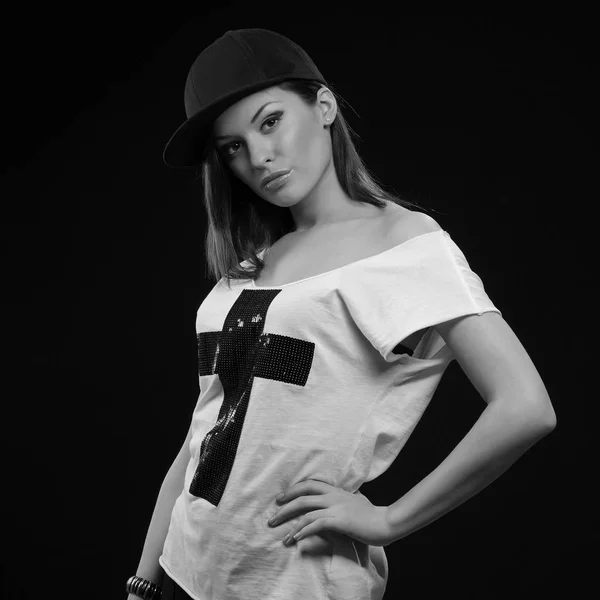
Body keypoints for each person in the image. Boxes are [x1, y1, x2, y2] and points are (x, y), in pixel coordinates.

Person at [126, 28, 557, 600]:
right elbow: (202, 435)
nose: (258, 157)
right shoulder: (249, 267)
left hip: (299, 582)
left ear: (324, 105)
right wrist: (144, 580)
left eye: (270, 121)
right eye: (232, 147)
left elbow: (526, 406)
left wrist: (389, 520)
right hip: (186, 571)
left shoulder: (402, 244)